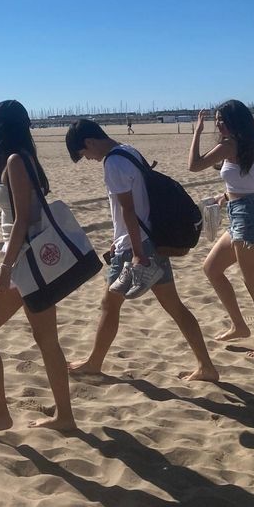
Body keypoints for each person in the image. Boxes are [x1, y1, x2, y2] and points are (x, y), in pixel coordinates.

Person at [65, 119, 218, 381]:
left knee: (108, 305)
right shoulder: (129, 150)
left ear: (89, 142)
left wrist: (135, 252)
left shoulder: (112, 162)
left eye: (84, 154)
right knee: (175, 307)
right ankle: (206, 366)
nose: (88, 159)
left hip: (136, 247)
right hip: (150, 240)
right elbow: (139, 202)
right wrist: (121, 238)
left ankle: (94, 363)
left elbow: (128, 209)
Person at [0, 100, 76, 438]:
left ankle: (0, 414)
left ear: (4, 128)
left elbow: (22, 222)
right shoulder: (25, 159)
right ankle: (65, 416)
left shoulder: (15, 161)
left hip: (24, 262)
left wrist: (5, 267)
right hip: (33, 261)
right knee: (47, 340)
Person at [188, 101, 254, 360]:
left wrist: (197, 131)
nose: (218, 124)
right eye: (216, 120)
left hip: (250, 219)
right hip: (242, 214)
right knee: (211, 268)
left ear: (235, 121)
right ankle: (239, 326)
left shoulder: (230, 144)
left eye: (222, 120)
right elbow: (249, 182)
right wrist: (225, 196)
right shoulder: (249, 142)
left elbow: (194, 165)